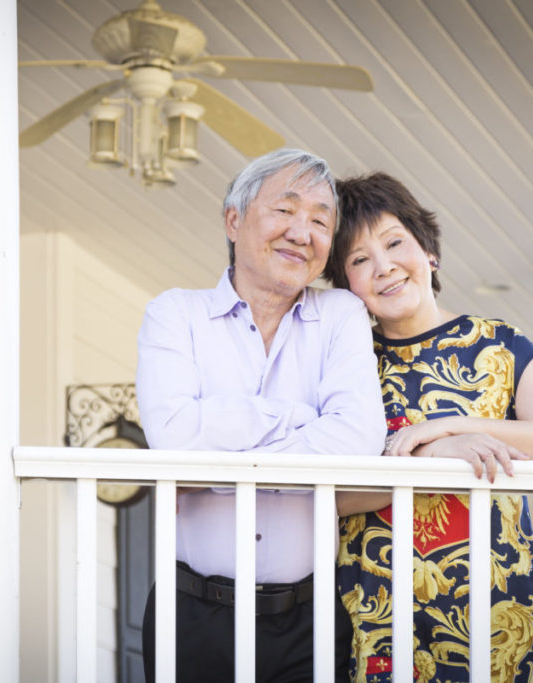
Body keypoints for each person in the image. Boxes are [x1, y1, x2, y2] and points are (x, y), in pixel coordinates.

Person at [324, 172, 533, 683]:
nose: (383, 268)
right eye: (359, 260)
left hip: (498, 610)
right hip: (377, 610)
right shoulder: (343, 359)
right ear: (347, 286)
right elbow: (330, 493)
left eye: (394, 243)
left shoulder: (499, 343)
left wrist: (453, 426)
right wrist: (434, 455)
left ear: (429, 251)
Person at [136, 148, 387, 682]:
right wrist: (297, 420)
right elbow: (175, 439)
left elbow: (359, 437)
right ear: (233, 219)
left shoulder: (341, 314)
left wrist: (217, 471)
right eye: (285, 210)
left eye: (321, 220)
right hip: (193, 612)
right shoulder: (174, 313)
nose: (303, 232)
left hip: (308, 620)